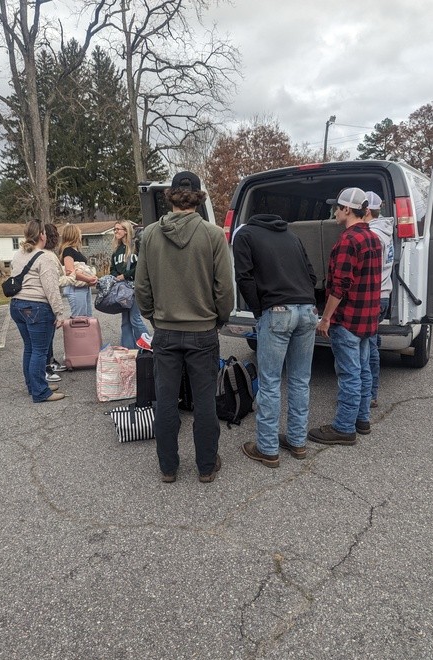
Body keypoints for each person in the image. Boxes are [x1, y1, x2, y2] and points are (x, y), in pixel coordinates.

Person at [135, 171, 234, 483]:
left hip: (165, 331)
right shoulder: (213, 235)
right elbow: (224, 289)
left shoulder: (150, 235)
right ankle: (206, 466)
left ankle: (168, 467)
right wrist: (219, 318)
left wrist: (154, 317)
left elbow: (141, 286)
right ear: (199, 198)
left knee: (166, 401)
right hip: (203, 331)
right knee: (204, 402)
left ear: (170, 197)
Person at [233, 213, 318, 467]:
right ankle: (297, 441)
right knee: (300, 380)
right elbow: (312, 276)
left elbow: (244, 277)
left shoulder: (245, 235)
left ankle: (268, 449)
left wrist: (259, 310)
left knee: (270, 382)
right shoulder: (292, 236)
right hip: (308, 310)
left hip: (277, 310)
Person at [308, 188, 382, 446]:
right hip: (367, 318)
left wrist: (326, 318)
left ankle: (343, 428)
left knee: (349, 375)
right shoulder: (373, 238)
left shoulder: (347, 241)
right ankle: (362, 420)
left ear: (347, 209)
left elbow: (340, 286)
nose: (335, 212)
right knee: (363, 371)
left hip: (348, 320)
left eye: (337, 208)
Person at [9, 219, 66, 402]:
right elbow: (51, 289)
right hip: (36, 307)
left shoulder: (19, 254)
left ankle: (33, 385)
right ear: (42, 235)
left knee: (30, 348)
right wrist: (59, 313)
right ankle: (41, 392)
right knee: (40, 351)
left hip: (17, 305)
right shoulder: (45, 257)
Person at [364, 191, 394, 408]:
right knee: (372, 342)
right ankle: (370, 392)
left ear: (366, 210)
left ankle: (370, 395)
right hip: (383, 294)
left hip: (374, 296)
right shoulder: (384, 231)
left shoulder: (373, 235)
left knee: (368, 348)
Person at [110, 221, 149, 349]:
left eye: (118, 229)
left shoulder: (136, 246)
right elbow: (112, 268)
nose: (116, 232)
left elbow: (141, 266)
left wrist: (125, 275)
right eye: (115, 229)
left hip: (134, 286)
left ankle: (148, 346)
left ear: (126, 231)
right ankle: (129, 350)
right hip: (122, 289)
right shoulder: (116, 250)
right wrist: (116, 276)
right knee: (125, 321)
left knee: (135, 319)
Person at [43, 223, 68, 381]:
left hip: (39, 303)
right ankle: (45, 368)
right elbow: (53, 285)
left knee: (48, 337)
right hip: (43, 303)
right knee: (44, 339)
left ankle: (50, 361)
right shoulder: (47, 257)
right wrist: (59, 313)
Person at [59, 224, 97, 317]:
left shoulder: (76, 250)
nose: (81, 235)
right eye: (79, 232)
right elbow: (70, 271)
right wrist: (88, 279)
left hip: (83, 287)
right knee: (79, 319)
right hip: (75, 288)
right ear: (74, 234)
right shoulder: (68, 250)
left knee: (87, 317)